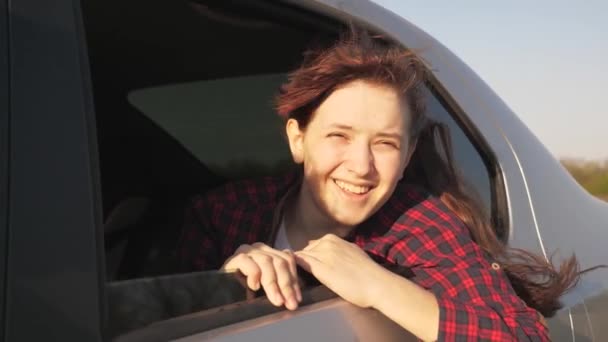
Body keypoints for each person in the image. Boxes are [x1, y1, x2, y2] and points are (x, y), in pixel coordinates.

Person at [177, 29, 584, 341]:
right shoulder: (224, 213)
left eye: (385, 144)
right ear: (297, 140)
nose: (361, 166)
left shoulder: (415, 223)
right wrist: (223, 286)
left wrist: (378, 285)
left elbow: (524, 336)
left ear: (407, 158)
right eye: (339, 135)